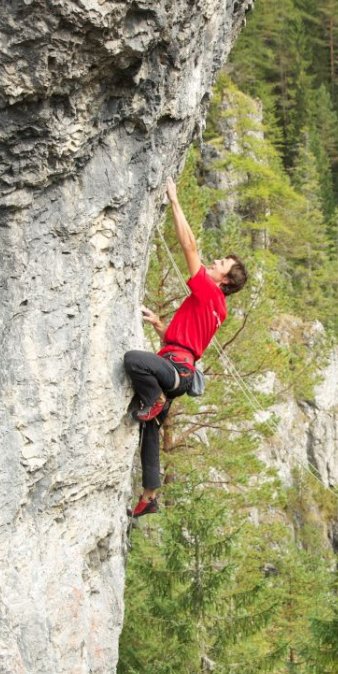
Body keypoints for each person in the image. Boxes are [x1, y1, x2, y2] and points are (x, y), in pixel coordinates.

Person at [124, 176, 248, 517]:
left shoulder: (210, 292)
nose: (214, 262)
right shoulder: (215, 307)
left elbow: (189, 248)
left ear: (224, 280)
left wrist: (175, 201)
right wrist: (161, 325)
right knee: (149, 430)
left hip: (174, 373)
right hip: (179, 365)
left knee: (134, 359)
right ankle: (149, 495)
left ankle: (156, 397)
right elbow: (188, 344)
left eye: (221, 263)